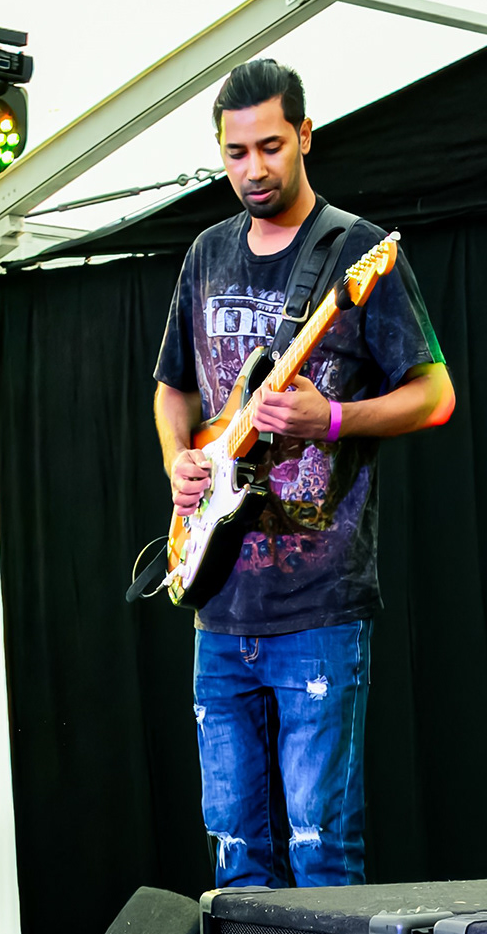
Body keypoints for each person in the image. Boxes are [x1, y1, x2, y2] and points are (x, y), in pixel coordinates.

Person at [154, 59, 454, 890]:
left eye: (271, 147)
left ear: (305, 137)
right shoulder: (207, 253)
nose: (253, 168)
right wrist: (181, 460)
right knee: (233, 854)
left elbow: (436, 395)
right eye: (236, 152)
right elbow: (173, 387)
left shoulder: (355, 252)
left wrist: (333, 419)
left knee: (321, 850)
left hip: (320, 600)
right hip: (217, 599)